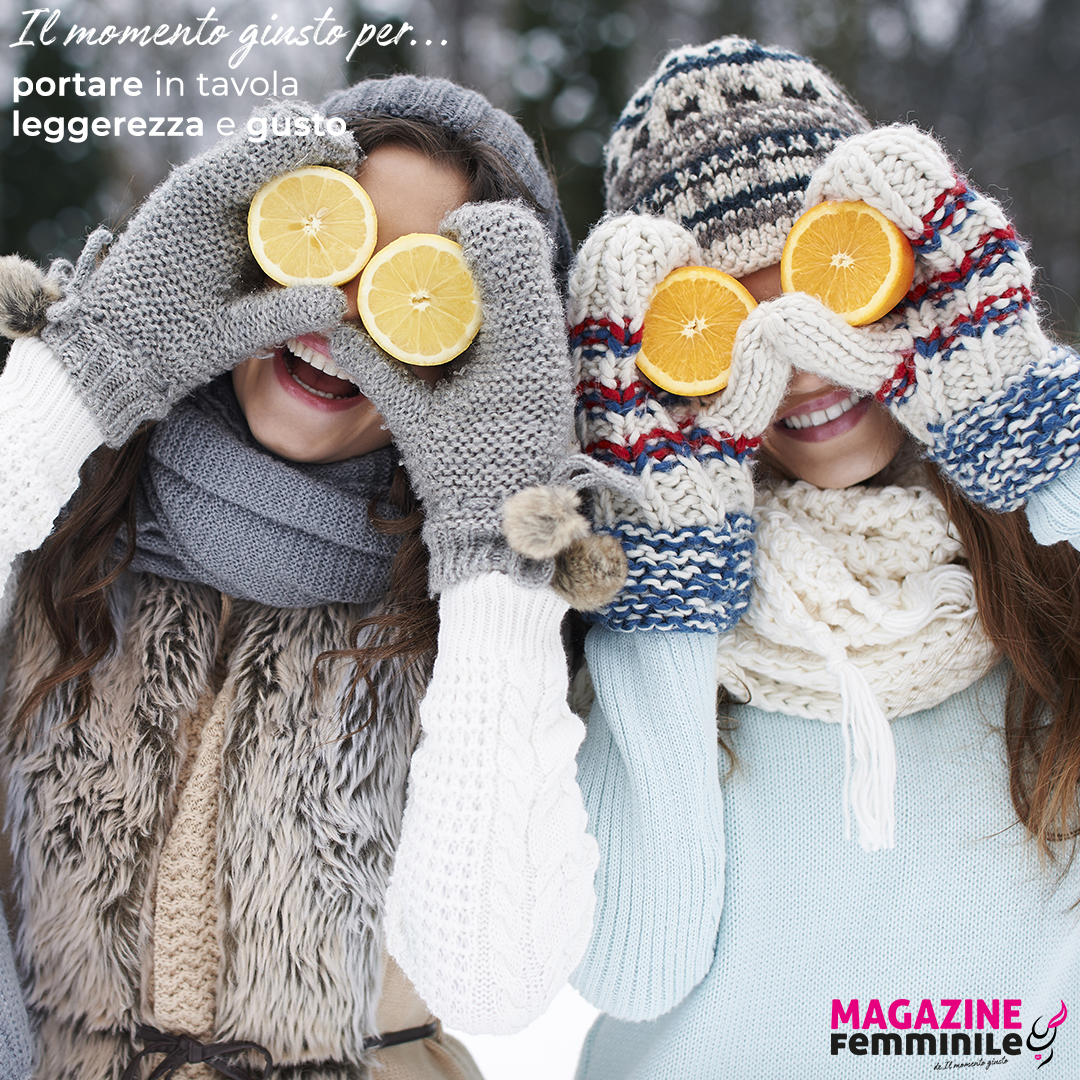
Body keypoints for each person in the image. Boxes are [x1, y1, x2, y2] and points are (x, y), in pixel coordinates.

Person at [0, 75, 600, 1079]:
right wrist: (94, 366)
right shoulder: (57, 492)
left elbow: (499, 985)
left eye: (413, 287)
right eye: (329, 245)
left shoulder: (495, 613)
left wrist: (499, 548)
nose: (337, 321)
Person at [564, 37, 1080, 1077]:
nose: (794, 366)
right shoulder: (641, 603)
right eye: (726, 325)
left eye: (826, 287)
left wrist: (1024, 430)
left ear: (909, 279)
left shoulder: (1048, 551)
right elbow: (630, 969)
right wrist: (665, 577)